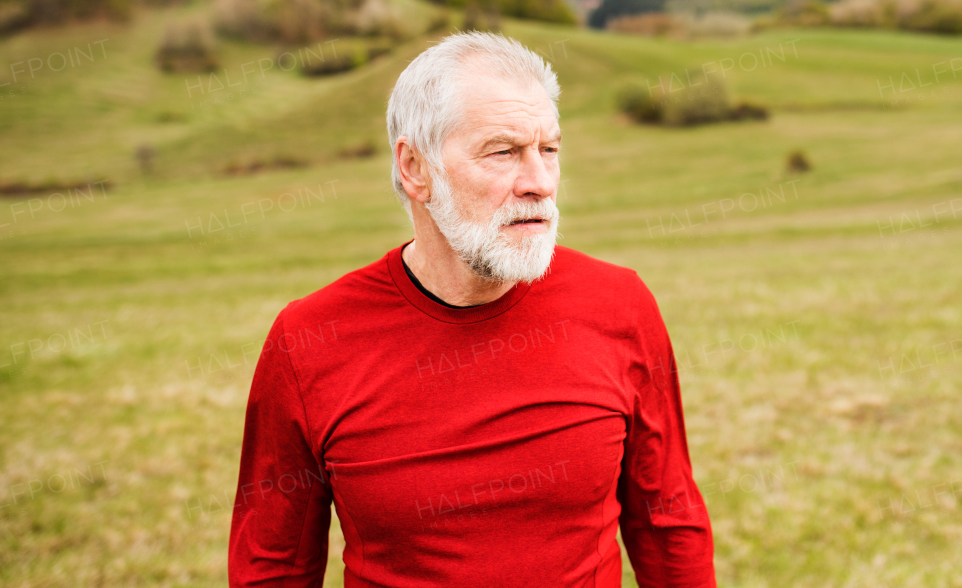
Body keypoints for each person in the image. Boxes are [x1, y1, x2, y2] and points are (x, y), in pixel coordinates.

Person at [229, 32, 715, 587]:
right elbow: (272, 567)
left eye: (548, 150)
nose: (539, 182)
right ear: (415, 168)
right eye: (503, 151)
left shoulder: (620, 304)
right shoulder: (309, 339)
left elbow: (668, 522)